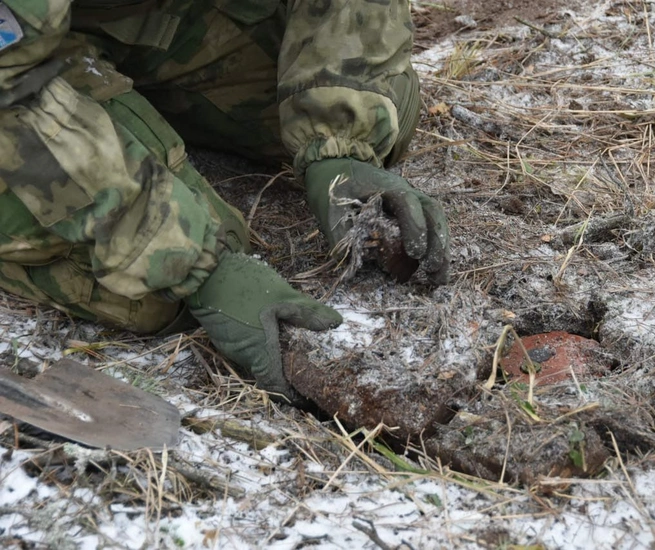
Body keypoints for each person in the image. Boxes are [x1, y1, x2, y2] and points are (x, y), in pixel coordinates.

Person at [0, 0, 450, 404]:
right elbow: (13, 92)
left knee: (382, 109)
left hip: (126, 20)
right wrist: (193, 267)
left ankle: (136, 104)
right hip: (17, 73)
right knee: (155, 291)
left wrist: (338, 143)